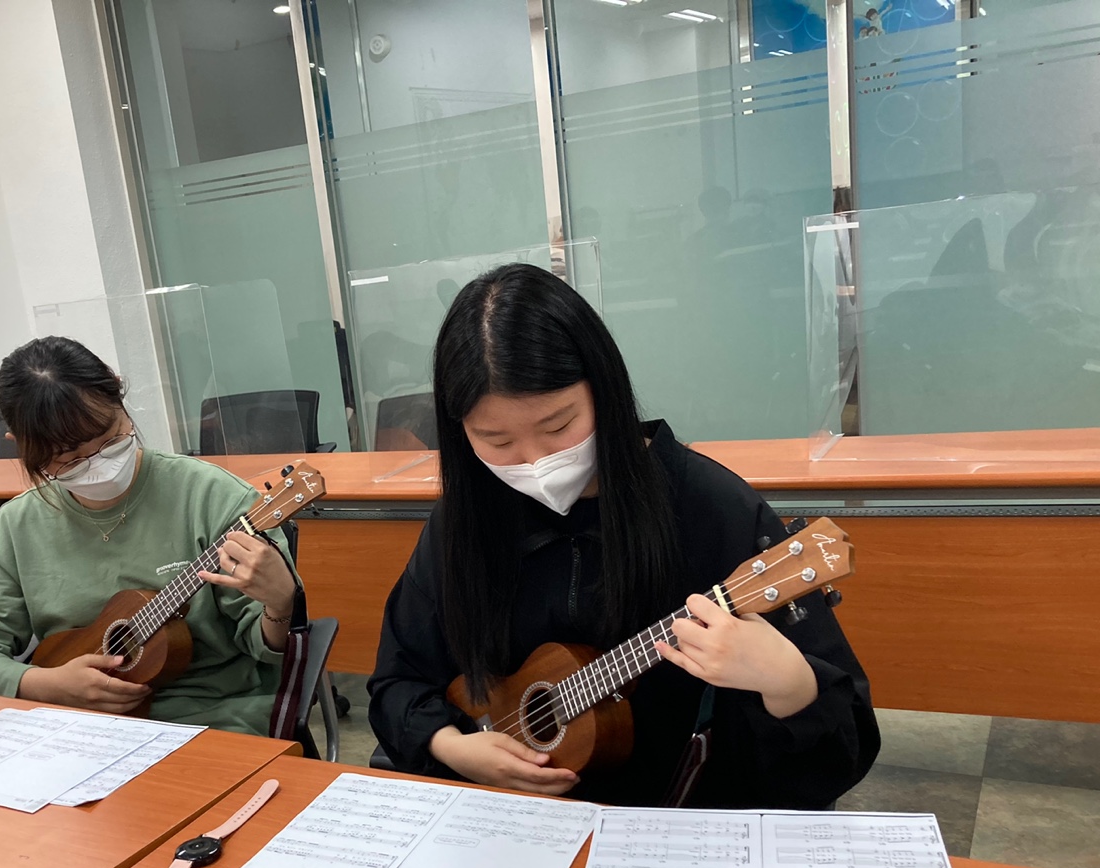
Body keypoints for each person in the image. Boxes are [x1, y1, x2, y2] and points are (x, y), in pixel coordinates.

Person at [367, 264, 878, 808]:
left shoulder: (714, 510)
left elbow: (841, 751)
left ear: (604, 390)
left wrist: (789, 683)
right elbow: (398, 677)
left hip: (677, 823)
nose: (535, 462)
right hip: (513, 818)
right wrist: (452, 747)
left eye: (558, 426)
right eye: (495, 440)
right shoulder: (465, 519)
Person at [0, 336, 299, 735]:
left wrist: (280, 603)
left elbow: (271, 649)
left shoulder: (211, 496)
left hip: (210, 717)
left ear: (117, 391)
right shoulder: (14, 528)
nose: (99, 466)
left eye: (111, 440)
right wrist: (48, 685)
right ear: (20, 444)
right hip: (74, 726)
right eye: (68, 461)